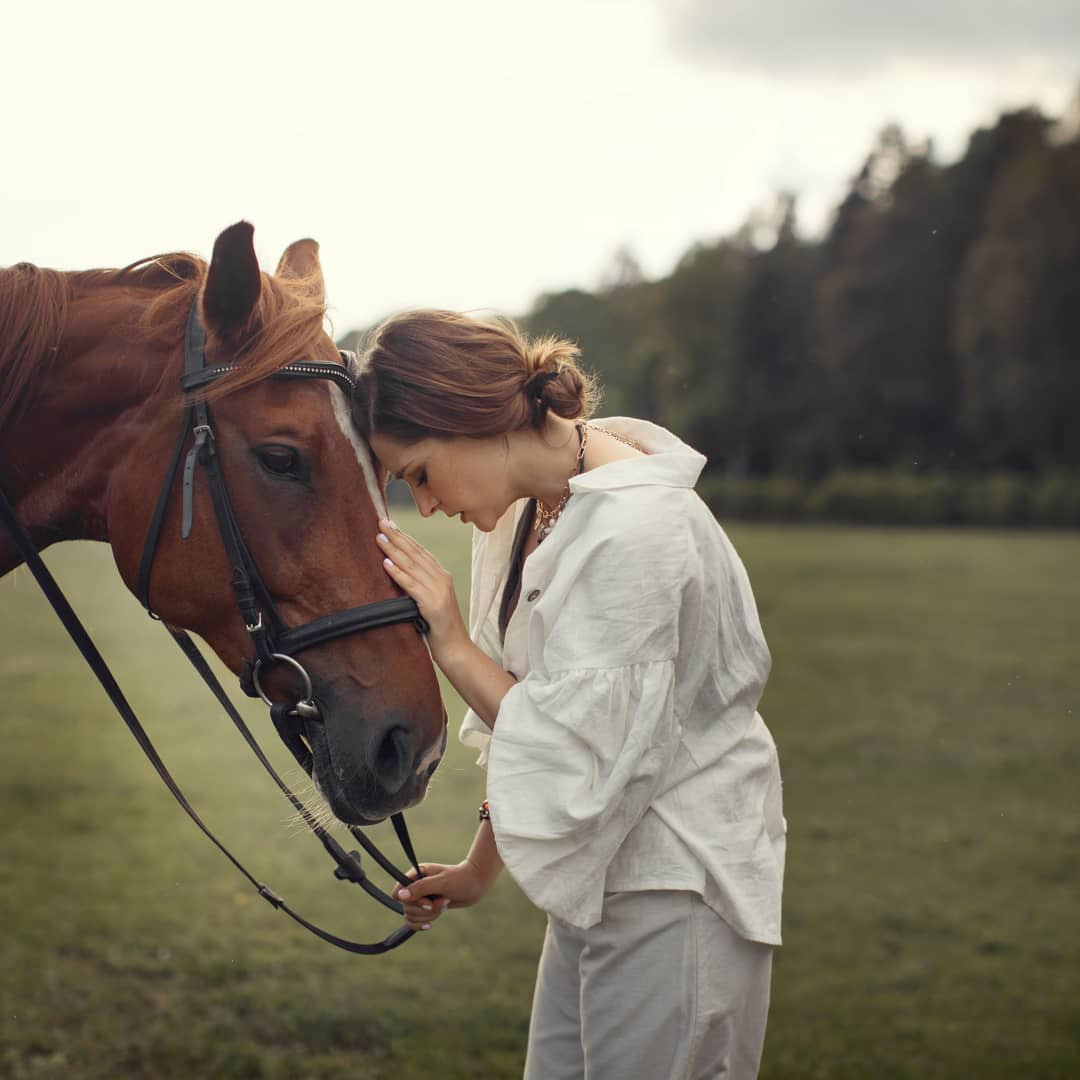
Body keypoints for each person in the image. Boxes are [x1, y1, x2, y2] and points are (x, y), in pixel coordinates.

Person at [353, 310, 785, 1080]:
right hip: (600, 885)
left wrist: (449, 638)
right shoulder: (529, 513)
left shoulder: (638, 528)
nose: (424, 504)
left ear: (467, 417)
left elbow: (576, 748)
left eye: (418, 472)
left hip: (677, 888)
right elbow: (541, 717)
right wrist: (478, 871)